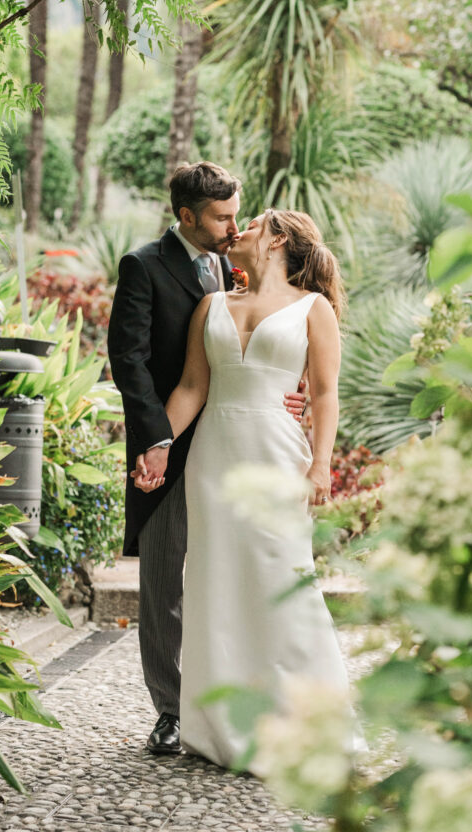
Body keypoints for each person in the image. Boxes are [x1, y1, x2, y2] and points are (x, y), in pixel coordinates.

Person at [134, 208, 353, 770]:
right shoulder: (211, 306)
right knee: (217, 581)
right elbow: (190, 387)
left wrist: (321, 464)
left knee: (284, 577)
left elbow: (325, 394)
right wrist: (158, 444)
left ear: (277, 238)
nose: (237, 231)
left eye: (249, 223)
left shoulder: (314, 308)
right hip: (214, 455)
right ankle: (222, 727)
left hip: (279, 453)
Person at [107, 163, 306, 757]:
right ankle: (170, 712)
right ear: (187, 216)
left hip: (234, 447)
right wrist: (156, 440)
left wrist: (282, 392)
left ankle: (242, 703)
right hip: (167, 447)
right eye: (221, 217)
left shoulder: (233, 267)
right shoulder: (143, 267)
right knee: (164, 582)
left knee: (235, 576)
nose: (233, 225)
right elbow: (129, 361)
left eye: (236, 213)